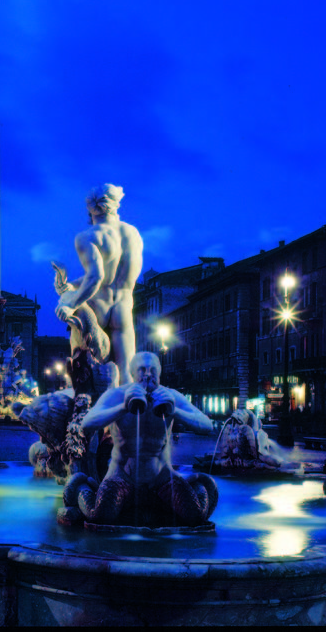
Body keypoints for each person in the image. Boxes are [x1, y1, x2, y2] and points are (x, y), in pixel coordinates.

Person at [71, 352, 217, 526]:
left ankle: (197, 485)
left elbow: (207, 426)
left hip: (161, 476)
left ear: (160, 373)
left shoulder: (170, 396)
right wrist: (123, 407)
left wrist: (174, 411)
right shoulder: (117, 395)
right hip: (123, 475)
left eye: (153, 369)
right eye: (142, 369)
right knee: (102, 515)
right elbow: (87, 424)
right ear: (133, 373)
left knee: (195, 516)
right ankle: (83, 487)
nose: (148, 374)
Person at [54, 184, 143, 384]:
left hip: (99, 307)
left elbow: (96, 278)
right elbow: (114, 277)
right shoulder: (132, 234)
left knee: (84, 373)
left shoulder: (88, 237)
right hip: (123, 307)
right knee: (126, 380)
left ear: (89, 209)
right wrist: (74, 286)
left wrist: (71, 303)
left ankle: (83, 411)